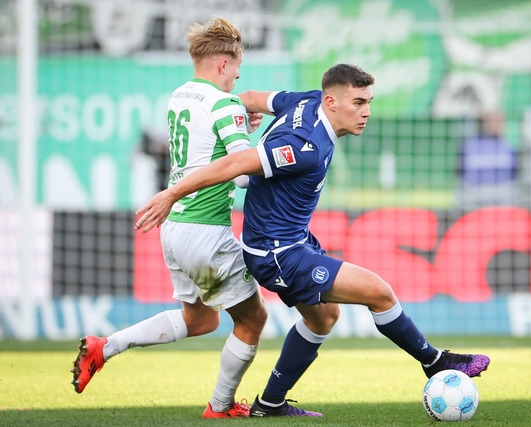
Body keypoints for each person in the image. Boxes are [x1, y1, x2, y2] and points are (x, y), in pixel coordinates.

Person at [134, 63, 491, 417]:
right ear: (332, 102)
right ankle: (434, 361)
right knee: (379, 292)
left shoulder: (305, 101)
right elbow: (236, 164)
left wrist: (243, 115)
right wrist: (171, 194)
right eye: (358, 103)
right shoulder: (303, 146)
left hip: (294, 239)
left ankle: (270, 403)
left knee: (323, 318)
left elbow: (251, 97)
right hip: (276, 253)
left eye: (368, 102)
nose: (366, 112)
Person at [71, 17, 268, 419]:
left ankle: (105, 347)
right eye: (236, 68)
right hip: (206, 230)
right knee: (253, 319)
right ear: (222, 63)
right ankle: (221, 405)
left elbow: (208, 150)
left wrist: (240, 132)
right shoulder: (224, 102)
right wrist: (257, 143)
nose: (237, 77)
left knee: (200, 320)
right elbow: (245, 174)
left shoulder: (180, 96)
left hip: (174, 228)